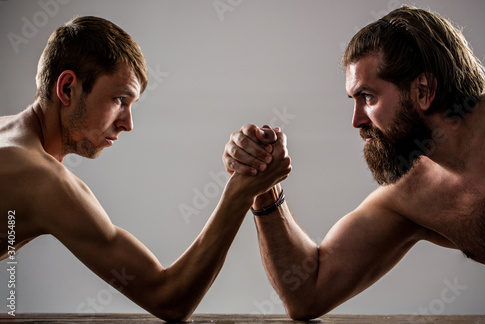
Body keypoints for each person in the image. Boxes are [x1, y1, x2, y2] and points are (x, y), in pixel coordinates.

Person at [0, 16, 291, 321]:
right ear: (68, 88)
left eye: (131, 104)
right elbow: (168, 298)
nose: (127, 123)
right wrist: (239, 194)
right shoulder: (43, 181)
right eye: (119, 99)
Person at [223, 5, 485, 320]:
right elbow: (308, 293)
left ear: (423, 90)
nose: (356, 121)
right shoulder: (409, 196)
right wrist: (265, 183)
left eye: (368, 97)